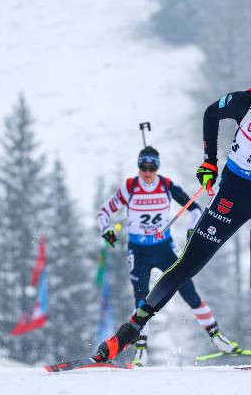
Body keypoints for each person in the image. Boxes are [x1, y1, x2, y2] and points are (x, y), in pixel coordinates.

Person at [94, 48, 251, 365]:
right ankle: (127, 334)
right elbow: (211, 113)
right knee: (187, 265)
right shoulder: (245, 102)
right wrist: (209, 163)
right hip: (234, 192)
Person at [97, 146, 239, 366]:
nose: (147, 171)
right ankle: (141, 349)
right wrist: (106, 229)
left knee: (188, 291)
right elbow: (104, 212)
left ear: (157, 166)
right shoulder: (130, 186)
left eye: (151, 166)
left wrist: (193, 229)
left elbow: (194, 208)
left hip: (164, 249)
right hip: (139, 250)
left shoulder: (166, 185)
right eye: (142, 166)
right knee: (141, 299)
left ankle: (216, 336)